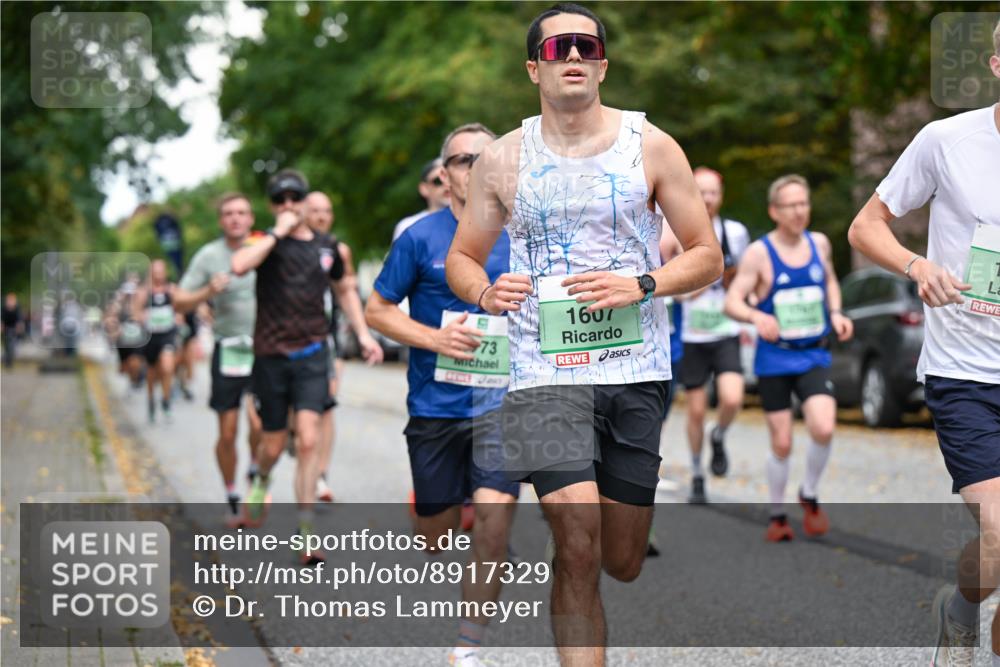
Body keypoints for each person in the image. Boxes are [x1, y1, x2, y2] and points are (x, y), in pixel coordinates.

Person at [444, 5, 722, 663]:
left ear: (602, 62)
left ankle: (585, 541)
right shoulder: (503, 159)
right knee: (578, 541)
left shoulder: (650, 146)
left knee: (621, 558)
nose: (573, 54)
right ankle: (570, 540)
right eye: (557, 46)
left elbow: (707, 254)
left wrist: (644, 283)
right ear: (534, 66)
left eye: (586, 45)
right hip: (543, 376)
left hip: (635, 370)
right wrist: (484, 290)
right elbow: (462, 257)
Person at [848, 21, 1000, 666]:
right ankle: (963, 612)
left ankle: (961, 607)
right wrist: (917, 266)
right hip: (966, 373)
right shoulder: (948, 140)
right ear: (996, 63)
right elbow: (866, 226)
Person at [367, 122, 520, 667]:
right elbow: (377, 310)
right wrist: (435, 339)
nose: (474, 167)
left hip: (504, 406)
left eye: (485, 157)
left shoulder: (526, 233)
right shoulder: (420, 237)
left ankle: (468, 645)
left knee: (496, 521)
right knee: (436, 535)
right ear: (444, 173)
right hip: (435, 405)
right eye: (461, 159)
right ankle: (437, 511)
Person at [232, 169, 383, 564]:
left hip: (313, 354)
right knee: (274, 443)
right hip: (271, 357)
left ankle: (305, 530)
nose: (287, 205)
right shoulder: (263, 241)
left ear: (303, 201)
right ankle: (262, 477)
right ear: (272, 205)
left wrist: (364, 334)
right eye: (279, 200)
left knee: (310, 439)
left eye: (294, 198)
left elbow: (345, 290)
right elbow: (239, 265)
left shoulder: (327, 247)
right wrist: (277, 232)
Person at [723, 174, 853, 542]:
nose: (800, 211)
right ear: (774, 211)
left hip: (812, 353)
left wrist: (838, 312)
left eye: (804, 203)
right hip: (775, 359)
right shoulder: (759, 253)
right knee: (782, 442)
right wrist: (757, 316)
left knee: (824, 427)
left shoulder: (820, 244)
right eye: (791, 205)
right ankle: (778, 514)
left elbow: (828, 280)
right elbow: (733, 300)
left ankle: (809, 493)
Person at [174, 192, 264, 526]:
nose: (236, 218)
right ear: (221, 220)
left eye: (242, 212)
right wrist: (207, 292)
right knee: (227, 433)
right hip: (228, 349)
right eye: (228, 213)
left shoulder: (264, 248)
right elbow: (180, 302)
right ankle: (231, 493)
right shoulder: (209, 256)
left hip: (263, 349)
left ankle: (255, 465)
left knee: (259, 423)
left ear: (251, 218)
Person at [677, 167, 750, 504]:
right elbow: (675, 292)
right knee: (694, 411)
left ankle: (718, 435)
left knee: (733, 398)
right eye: (701, 192)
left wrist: (733, 279)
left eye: (713, 193)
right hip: (694, 334)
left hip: (726, 329)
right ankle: (696, 474)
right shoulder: (678, 233)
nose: (707, 199)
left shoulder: (734, 233)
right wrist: (705, 277)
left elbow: (746, 280)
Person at [303, 189, 378, 503]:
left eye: (327, 211)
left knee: (326, 406)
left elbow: (346, 292)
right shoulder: (284, 246)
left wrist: (362, 334)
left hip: (326, 340)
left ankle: (320, 474)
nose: (321, 216)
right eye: (315, 210)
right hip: (288, 343)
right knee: (302, 418)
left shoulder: (337, 250)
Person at [134, 260, 182, 423]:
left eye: (161, 271)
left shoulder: (172, 290)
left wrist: (178, 317)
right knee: (151, 372)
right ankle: (151, 400)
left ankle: (166, 400)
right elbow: (136, 312)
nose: (158, 274)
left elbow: (180, 308)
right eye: (155, 271)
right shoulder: (144, 292)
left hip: (167, 334)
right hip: (151, 336)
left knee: (168, 367)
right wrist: (142, 317)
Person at [392, 158, 451, 242]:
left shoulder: (472, 224)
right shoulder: (408, 227)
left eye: (451, 180)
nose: (447, 185)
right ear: (424, 189)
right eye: (438, 181)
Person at [2, 292, 24, 368]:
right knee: (6, 345)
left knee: (12, 345)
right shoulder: (4, 308)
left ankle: (9, 361)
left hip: (14, 328)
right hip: (6, 328)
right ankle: (7, 359)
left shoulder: (17, 308)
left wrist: (19, 326)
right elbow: (2, 318)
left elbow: (19, 318)